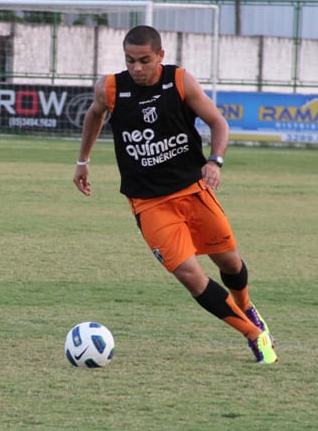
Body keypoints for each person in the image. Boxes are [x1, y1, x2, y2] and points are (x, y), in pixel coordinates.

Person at [72, 25, 278, 364]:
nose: (136, 68)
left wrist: (216, 161)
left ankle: (246, 306)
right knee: (189, 274)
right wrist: (83, 161)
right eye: (129, 61)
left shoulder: (180, 81)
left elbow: (218, 123)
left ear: (160, 56)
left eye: (144, 60)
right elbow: (94, 115)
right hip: (149, 204)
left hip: (194, 192)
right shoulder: (110, 88)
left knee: (230, 263)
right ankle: (254, 335)